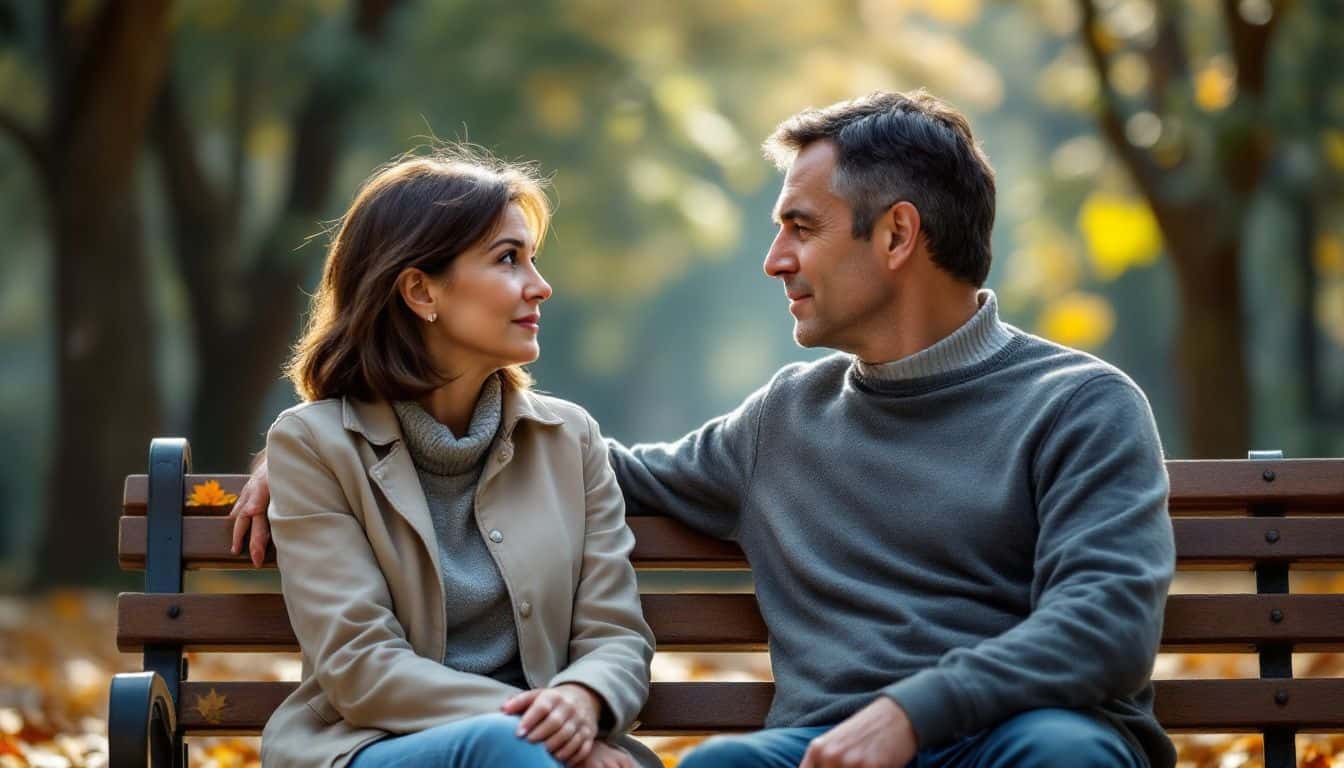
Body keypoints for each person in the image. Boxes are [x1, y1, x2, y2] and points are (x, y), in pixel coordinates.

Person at [235, 90, 1175, 768]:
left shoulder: (1079, 405)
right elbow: (566, 461)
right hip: (820, 752)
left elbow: (1104, 628)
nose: (775, 260)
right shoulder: (783, 421)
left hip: (1022, 734)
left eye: (801, 228)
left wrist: (912, 715)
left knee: (1063, 755)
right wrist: (324, 440)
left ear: (895, 238)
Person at [255, 146, 657, 768]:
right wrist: (548, 730)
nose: (540, 285)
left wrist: (581, 698)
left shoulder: (571, 439)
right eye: (508, 260)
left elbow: (615, 635)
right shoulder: (314, 446)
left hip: (550, 753)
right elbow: (361, 667)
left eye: (532, 259)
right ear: (420, 291)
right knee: (506, 746)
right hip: (372, 750)